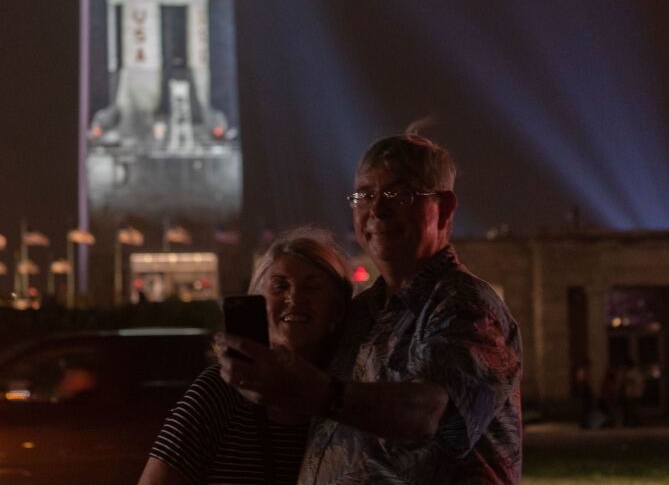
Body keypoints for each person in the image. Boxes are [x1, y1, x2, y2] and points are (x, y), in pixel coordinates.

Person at [217, 134, 523, 483]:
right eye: (364, 195)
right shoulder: (360, 313)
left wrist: (317, 392)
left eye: (399, 193)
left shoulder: (467, 308)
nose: (377, 210)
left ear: (445, 208)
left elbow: (434, 415)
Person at [138, 227, 353, 485]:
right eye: (279, 286)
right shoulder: (219, 391)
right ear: (259, 303)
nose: (295, 297)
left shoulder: (354, 396)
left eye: (312, 286)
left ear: (338, 308)